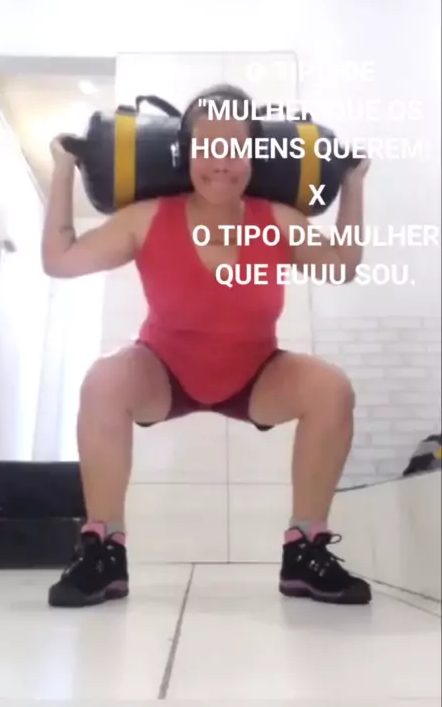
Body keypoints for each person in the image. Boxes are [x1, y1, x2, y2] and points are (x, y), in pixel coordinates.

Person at [42, 85, 372, 608]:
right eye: (208, 147)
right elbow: (60, 260)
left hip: (256, 374)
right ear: (187, 152)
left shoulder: (277, 220)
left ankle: (305, 550)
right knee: (103, 380)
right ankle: (103, 550)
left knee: (332, 389)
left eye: (235, 148)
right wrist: (62, 169)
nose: (221, 163)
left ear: (253, 155)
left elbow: (341, 266)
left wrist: (353, 184)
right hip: (162, 371)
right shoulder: (148, 217)